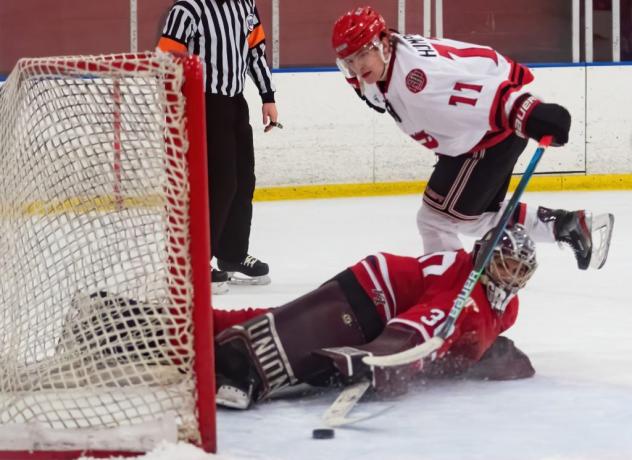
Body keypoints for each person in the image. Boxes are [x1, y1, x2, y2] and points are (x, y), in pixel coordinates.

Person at [330, 6, 614, 270]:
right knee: (473, 219)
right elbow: (377, 93)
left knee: (436, 221)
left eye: (363, 53)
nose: (357, 66)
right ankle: (568, 225)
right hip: (477, 138)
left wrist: (530, 113)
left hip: (486, 139)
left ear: (383, 41)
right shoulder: (383, 64)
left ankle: (446, 285)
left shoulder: (417, 81)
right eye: (350, 60)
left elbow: (479, 95)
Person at [213, 224, 538, 409]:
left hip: (380, 306)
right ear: (484, 257)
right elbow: (416, 329)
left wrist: (482, 353)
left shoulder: (507, 308)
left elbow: (459, 336)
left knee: (281, 319)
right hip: (368, 296)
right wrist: (381, 359)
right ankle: (233, 364)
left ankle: (193, 320)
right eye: (504, 264)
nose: (510, 276)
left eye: (519, 270)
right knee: (286, 343)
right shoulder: (461, 292)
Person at [157, 0, 280, 293]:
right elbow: (165, 60)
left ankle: (232, 255)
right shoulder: (188, 9)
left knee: (243, 180)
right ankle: (196, 262)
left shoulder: (245, 4)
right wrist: (176, 109)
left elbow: (254, 52)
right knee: (219, 183)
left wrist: (267, 95)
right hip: (202, 104)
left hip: (235, 102)